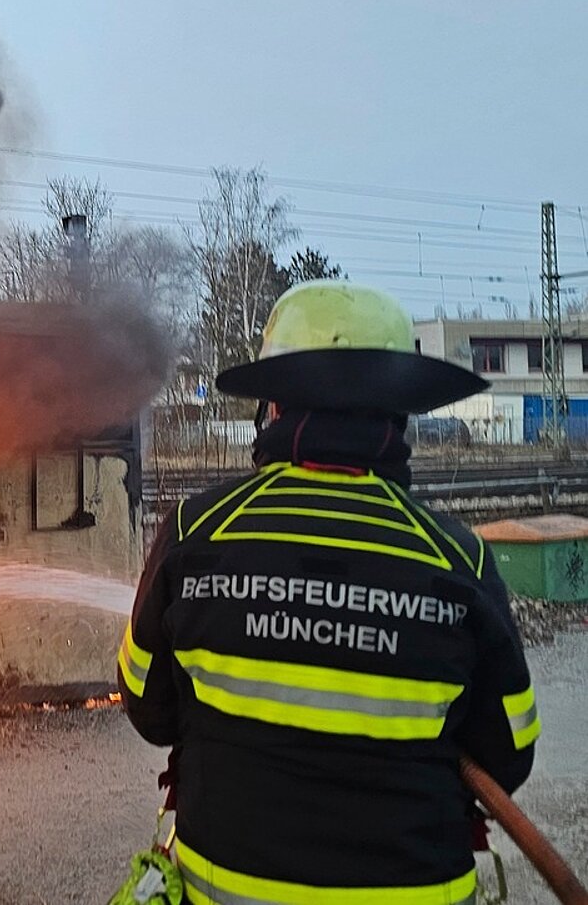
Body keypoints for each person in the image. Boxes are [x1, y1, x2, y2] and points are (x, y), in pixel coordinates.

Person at [120, 280, 539, 904]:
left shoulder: (198, 530)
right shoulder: (457, 558)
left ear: (275, 408)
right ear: (398, 414)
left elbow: (146, 707)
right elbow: (509, 751)